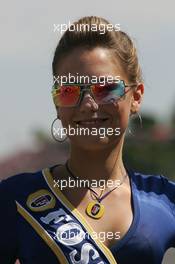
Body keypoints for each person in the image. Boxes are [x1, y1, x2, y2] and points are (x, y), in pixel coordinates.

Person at [0, 16, 175, 264]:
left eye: (105, 89)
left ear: (136, 97)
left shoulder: (165, 199)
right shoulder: (14, 200)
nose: (89, 105)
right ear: (57, 103)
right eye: (70, 91)